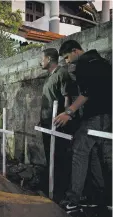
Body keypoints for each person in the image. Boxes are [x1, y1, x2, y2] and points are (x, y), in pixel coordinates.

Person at [54, 40, 112, 214]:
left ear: (75, 51)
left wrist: (69, 112)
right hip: (108, 116)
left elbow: (87, 92)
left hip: (95, 115)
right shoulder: (102, 62)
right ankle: (101, 196)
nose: (67, 62)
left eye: (67, 57)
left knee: (79, 150)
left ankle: (73, 199)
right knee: (98, 154)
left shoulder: (84, 64)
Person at [38, 48, 79, 202]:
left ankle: (59, 192)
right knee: (50, 155)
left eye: (42, 59)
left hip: (57, 123)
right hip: (47, 122)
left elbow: (67, 97)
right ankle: (51, 188)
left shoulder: (61, 73)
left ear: (49, 59)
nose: (41, 62)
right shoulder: (50, 76)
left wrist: (66, 117)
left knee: (59, 157)